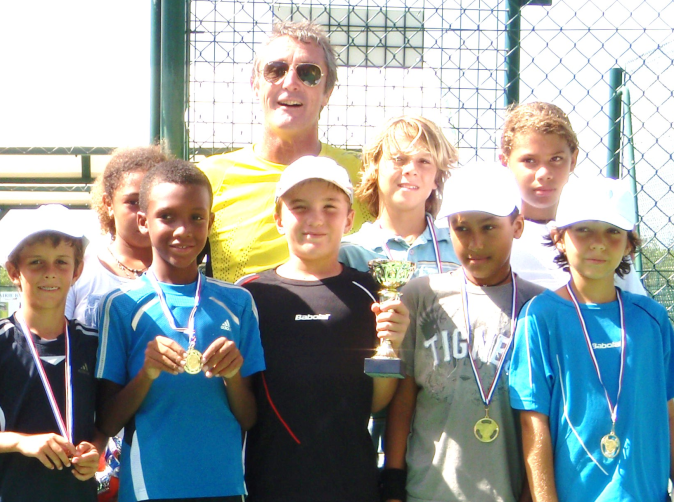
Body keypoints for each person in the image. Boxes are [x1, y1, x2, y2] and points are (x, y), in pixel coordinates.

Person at [239, 156, 407, 502]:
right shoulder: (249, 295)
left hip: (350, 483)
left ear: (349, 220)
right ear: (278, 218)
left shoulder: (372, 293)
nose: (315, 219)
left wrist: (394, 344)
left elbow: (375, 403)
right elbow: (241, 403)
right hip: (267, 482)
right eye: (299, 207)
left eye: (330, 207)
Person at [96, 160, 265, 502]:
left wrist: (233, 375)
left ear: (210, 222)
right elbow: (108, 421)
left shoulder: (238, 303)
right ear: (144, 221)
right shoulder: (120, 305)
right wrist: (147, 373)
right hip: (148, 490)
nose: (183, 230)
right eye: (168, 216)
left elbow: (249, 418)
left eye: (196, 217)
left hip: (223, 488)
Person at [382, 164, 544, 502]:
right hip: (429, 490)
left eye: (489, 227)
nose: (476, 242)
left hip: (507, 490)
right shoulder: (421, 295)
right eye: (462, 228)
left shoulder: (539, 306)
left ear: (517, 226)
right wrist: (393, 483)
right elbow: (404, 398)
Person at [507, 177, 674, 501]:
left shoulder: (652, 319)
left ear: (629, 243)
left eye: (613, 231)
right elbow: (533, 425)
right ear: (559, 238)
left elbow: (670, 415)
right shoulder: (539, 317)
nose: (598, 242)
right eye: (583, 229)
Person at [0, 204, 101, 502]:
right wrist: (19, 443)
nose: (50, 273)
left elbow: (105, 425)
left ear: (77, 270)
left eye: (62, 262)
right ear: (15, 272)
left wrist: (95, 451)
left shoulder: (91, 343)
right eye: (37, 263)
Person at [198, 19, 371, 284]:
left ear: (327, 92)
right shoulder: (209, 178)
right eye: (275, 70)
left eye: (309, 73)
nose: (290, 82)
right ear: (255, 84)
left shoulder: (365, 176)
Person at [500, 102, 645, 294]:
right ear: (505, 162)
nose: (544, 173)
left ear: (573, 160)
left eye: (556, 159)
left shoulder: (601, 234)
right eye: (529, 161)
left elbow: (633, 310)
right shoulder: (493, 235)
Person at [340, 115, 461, 277]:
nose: (411, 169)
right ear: (374, 168)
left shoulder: (459, 248)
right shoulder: (349, 253)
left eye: (424, 161)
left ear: (437, 178)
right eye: (398, 159)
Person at [66, 145, 169, 328]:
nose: (143, 213)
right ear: (109, 204)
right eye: (133, 202)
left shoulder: (181, 273)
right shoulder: (80, 270)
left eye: (154, 201)